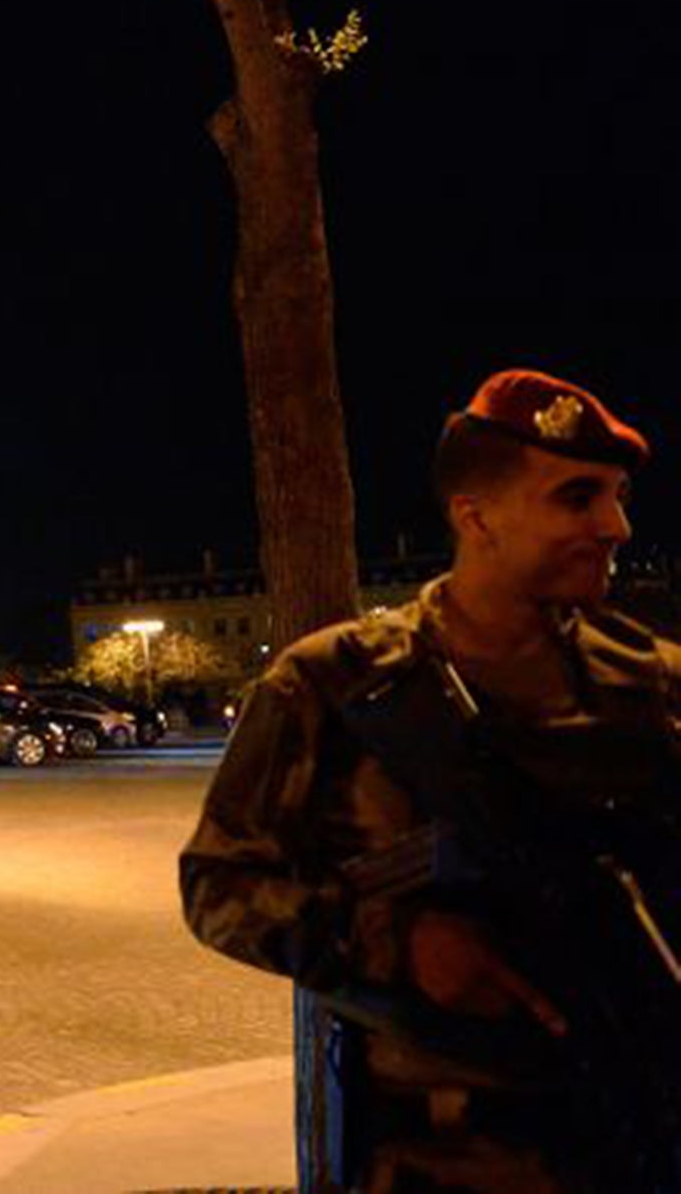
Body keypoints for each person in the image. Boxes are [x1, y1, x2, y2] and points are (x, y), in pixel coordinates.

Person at [182, 369, 681, 1193]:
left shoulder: (653, 687)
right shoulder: (334, 686)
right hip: (434, 1157)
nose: (616, 525)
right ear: (474, 514)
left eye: (619, 497)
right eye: (577, 498)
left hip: (634, 1133)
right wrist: (397, 946)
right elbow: (217, 887)